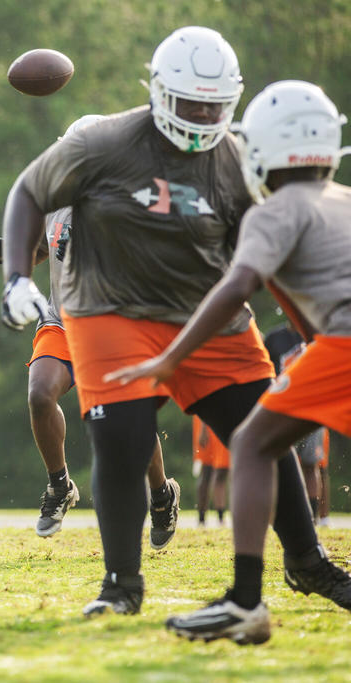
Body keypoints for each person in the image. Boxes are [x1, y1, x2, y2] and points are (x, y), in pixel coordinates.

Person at [0, 27, 348, 620]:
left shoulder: (235, 158)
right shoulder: (102, 140)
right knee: (122, 436)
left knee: (261, 425)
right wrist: (16, 278)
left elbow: (263, 259)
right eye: (190, 102)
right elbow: (29, 191)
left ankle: (306, 561)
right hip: (110, 307)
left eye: (214, 105)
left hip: (207, 312)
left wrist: (313, 329)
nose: (202, 115)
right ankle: (121, 584)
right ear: (159, 92)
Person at [106, 80, 351, 644]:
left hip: (343, 345)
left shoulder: (272, 212)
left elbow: (238, 285)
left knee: (251, 443)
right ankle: (282, 577)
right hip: (335, 343)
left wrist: (171, 356)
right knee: (264, 440)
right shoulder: (342, 199)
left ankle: (245, 601)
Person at [0, 115, 180, 543]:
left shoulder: (129, 200)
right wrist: (9, 253)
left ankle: (161, 492)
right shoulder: (56, 198)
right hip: (62, 320)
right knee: (39, 394)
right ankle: (60, 485)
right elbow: (45, 247)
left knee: (130, 421)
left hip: (114, 323)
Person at [263, 323, 330, 523]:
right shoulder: (274, 338)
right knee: (278, 464)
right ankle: (280, 516)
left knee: (311, 465)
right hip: (282, 408)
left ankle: (312, 517)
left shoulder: (316, 334)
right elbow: (265, 371)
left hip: (311, 407)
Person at [193, 416, 229, 527]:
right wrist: (203, 429)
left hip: (221, 419)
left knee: (221, 471)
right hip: (207, 419)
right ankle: (202, 517)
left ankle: (220, 516)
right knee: (206, 471)